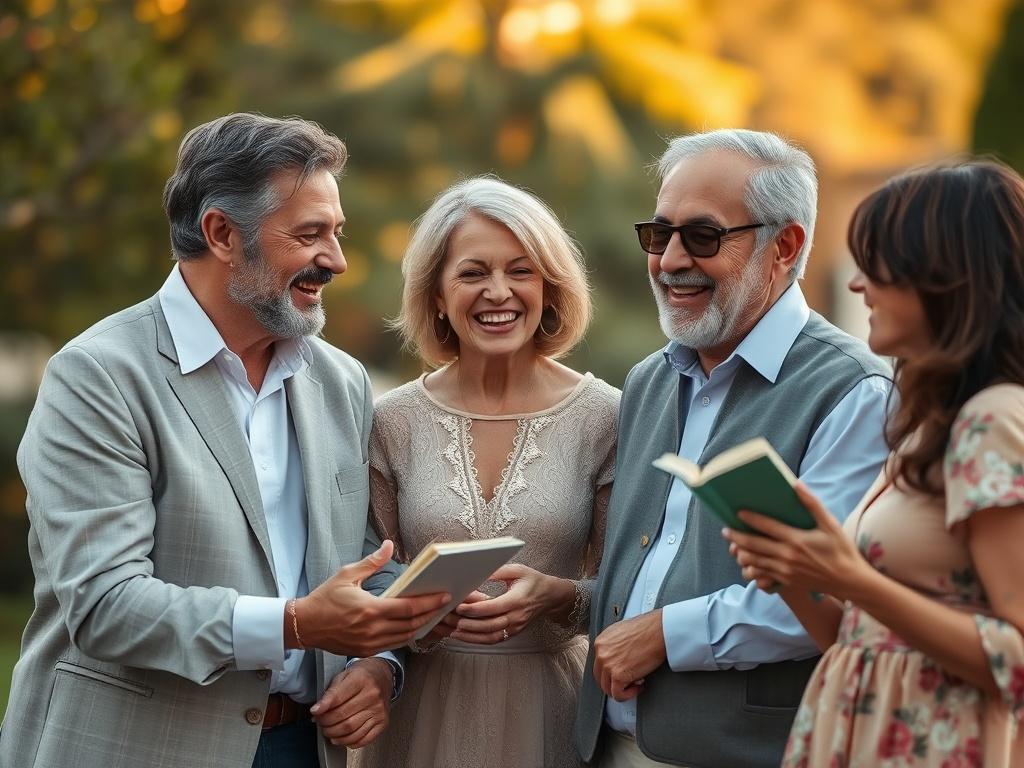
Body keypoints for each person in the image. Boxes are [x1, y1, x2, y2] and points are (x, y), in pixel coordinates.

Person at [0, 113, 450, 768]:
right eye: (310, 234)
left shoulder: (342, 381)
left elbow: (360, 557)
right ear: (222, 234)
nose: (337, 260)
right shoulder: (97, 376)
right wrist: (295, 624)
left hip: (301, 745)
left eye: (337, 232)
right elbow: (105, 605)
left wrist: (381, 665)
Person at [575, 128, 893, 768]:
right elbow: (652, 565)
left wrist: (667, 635)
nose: (668, 261)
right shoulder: (648, 380)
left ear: (785, 246)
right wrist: (569, 598)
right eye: (659, 235)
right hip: (607, 747)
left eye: (702, 236)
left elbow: (830, 596)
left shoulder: (854, 392)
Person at [724, 158, 1024, 766]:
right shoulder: (921, 429)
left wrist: (850, 577)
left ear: (945, 276)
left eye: (878, 263)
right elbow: (862, 638)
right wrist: (795, 577)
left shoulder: (993, 421)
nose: (857, 285)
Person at [350, 176, 619, 768]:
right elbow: (373, 570)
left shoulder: (608, 417)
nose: (499, 292)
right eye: (473, 273)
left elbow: (631, 589)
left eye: (521, 271)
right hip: (417, 713)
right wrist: (415, 615)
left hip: (553, 711)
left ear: (550, 289)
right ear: (438, 295)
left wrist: (561, 598)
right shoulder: (390, 420)